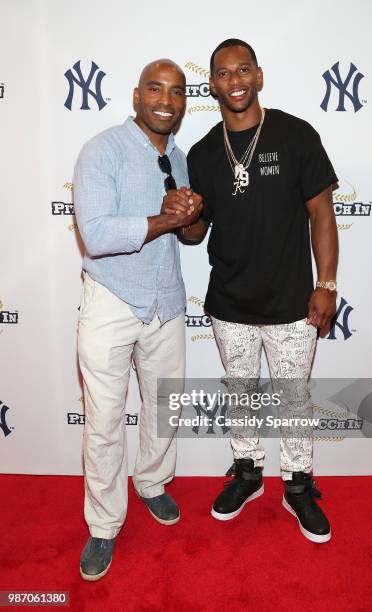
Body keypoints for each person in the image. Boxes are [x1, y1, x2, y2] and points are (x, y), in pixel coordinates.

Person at [162, 39, 338, 543]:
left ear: (258, 76)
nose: (234, 80)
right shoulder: (201, 153)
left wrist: (326, 283)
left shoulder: (296, 134)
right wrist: (183, 216)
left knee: (294, 398)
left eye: (243, 70)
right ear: (211, 83)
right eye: (223, 73)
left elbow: (322, 213)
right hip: (229, 303)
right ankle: (248, 471)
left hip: (292, 304)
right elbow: (198, 233)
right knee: (240, 394)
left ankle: (299, 484)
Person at [74, 59, 202, 581]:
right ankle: (104, 525)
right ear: (135, 95)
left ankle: (151, 482)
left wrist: (192, 215)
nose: (166, 100)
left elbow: (191, 237)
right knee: (105, 422)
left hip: (167, 299)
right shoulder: (101, 150)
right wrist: (164, 218)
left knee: (163, 408)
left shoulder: (181, 156)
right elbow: (97, 236)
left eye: (176, 92)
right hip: (110, 298)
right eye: (156, 89)